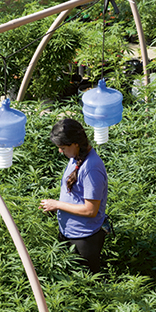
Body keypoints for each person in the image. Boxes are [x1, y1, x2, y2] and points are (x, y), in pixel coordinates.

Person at [38, 117, 108, 272]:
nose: (60, 151)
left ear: (75, 143)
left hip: (84, 239)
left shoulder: (91, 169)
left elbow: (90, 210)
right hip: (69, 233)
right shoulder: (76, 157)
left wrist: (57, 205)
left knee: (85, 286)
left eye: (63, 147)